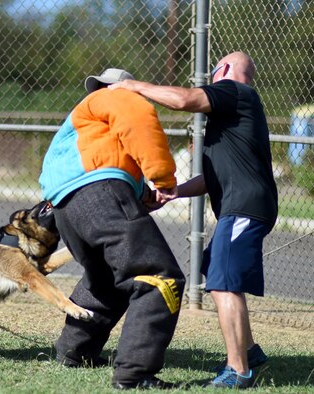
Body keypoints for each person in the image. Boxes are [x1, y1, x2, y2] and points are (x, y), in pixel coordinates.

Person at [110, 51, 278, 388]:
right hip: (242, 206)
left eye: (213, 72)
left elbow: (184, 99)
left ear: (225, 70)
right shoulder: (232, 115)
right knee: (216, 266)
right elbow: (211, 176)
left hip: (244, 208)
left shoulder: (234, 91)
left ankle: (239, 371)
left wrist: (133, 86)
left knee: (223, 282)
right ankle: (249, 351)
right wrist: (175, 192)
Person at [39, 68, 186, 389]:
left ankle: (75, 352)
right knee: (158, 276)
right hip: (99, 193)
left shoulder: (84, 124)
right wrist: (163, 178)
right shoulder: (118, 97)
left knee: (106, 280)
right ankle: (135, 372)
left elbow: (110, 159)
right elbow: (138, 122)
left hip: (67, 206)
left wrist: (141, 194)